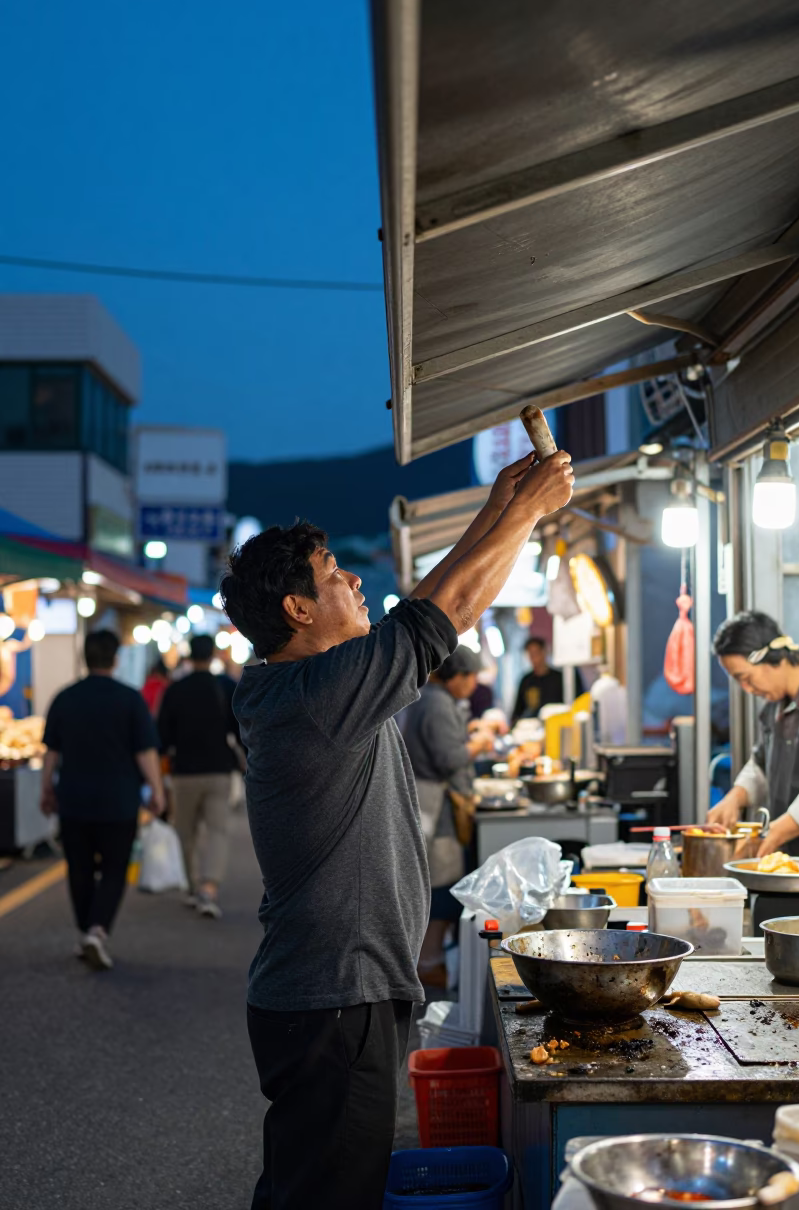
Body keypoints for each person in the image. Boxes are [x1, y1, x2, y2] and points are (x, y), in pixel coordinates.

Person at [219, 444, 574, 1210]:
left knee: (305, 1186)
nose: (354, 578)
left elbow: (436, 608)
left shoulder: (318, 683)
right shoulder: (315, 695)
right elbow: (437, 617)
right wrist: (527, 512)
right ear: (298, 609)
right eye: (332, 572)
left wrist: (500, 512)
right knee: (329, 1196)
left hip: (330, 992)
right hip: (334, 995)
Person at [40, 629, 166, 969]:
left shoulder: (65, 697)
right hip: (119, 802)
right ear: (115, 658)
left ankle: (86, 930)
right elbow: (145, 752)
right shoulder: (129, 699)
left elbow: (51, 752)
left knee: (78, 869)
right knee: (114, 869)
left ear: (84, 657)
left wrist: (46, 790)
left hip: (74, 799)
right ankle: (97, 930)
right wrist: (157, 790)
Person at [401, 646, 493, 987]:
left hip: (431, 801)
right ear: (456, 675)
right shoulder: (437, 702)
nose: (472, 684)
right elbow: (449, 758)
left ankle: (429, 959)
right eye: (470, 677)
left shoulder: (429, 697)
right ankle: (429, 963)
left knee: (438, 880)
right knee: (440, 884)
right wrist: (480, 743)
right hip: (434, 806)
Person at [708, 611, 799, 857]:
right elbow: (762, 765)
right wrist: (735, 797)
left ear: (772, 658)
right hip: (795, 859)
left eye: (745, 678)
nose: (746, 689)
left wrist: (775, 832)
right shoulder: (776, 705)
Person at [157, 632, 242, 918]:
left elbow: (163, 735)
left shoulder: (175, 690)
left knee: (185, 831)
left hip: (184, 772)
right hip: (219, 769)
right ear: (213, 655)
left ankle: (192, 887)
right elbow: (240, 728)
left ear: (189, 656)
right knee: (218, 830)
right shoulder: (226, 687)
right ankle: (209, 888)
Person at [511, 636, 566, 724]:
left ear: (544, 652)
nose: (534, 658)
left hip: (556, 724)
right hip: (531, 728)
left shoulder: (559, 678)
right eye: (530, 654)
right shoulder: (526, 680)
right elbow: (517, 711)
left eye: (536, 653)